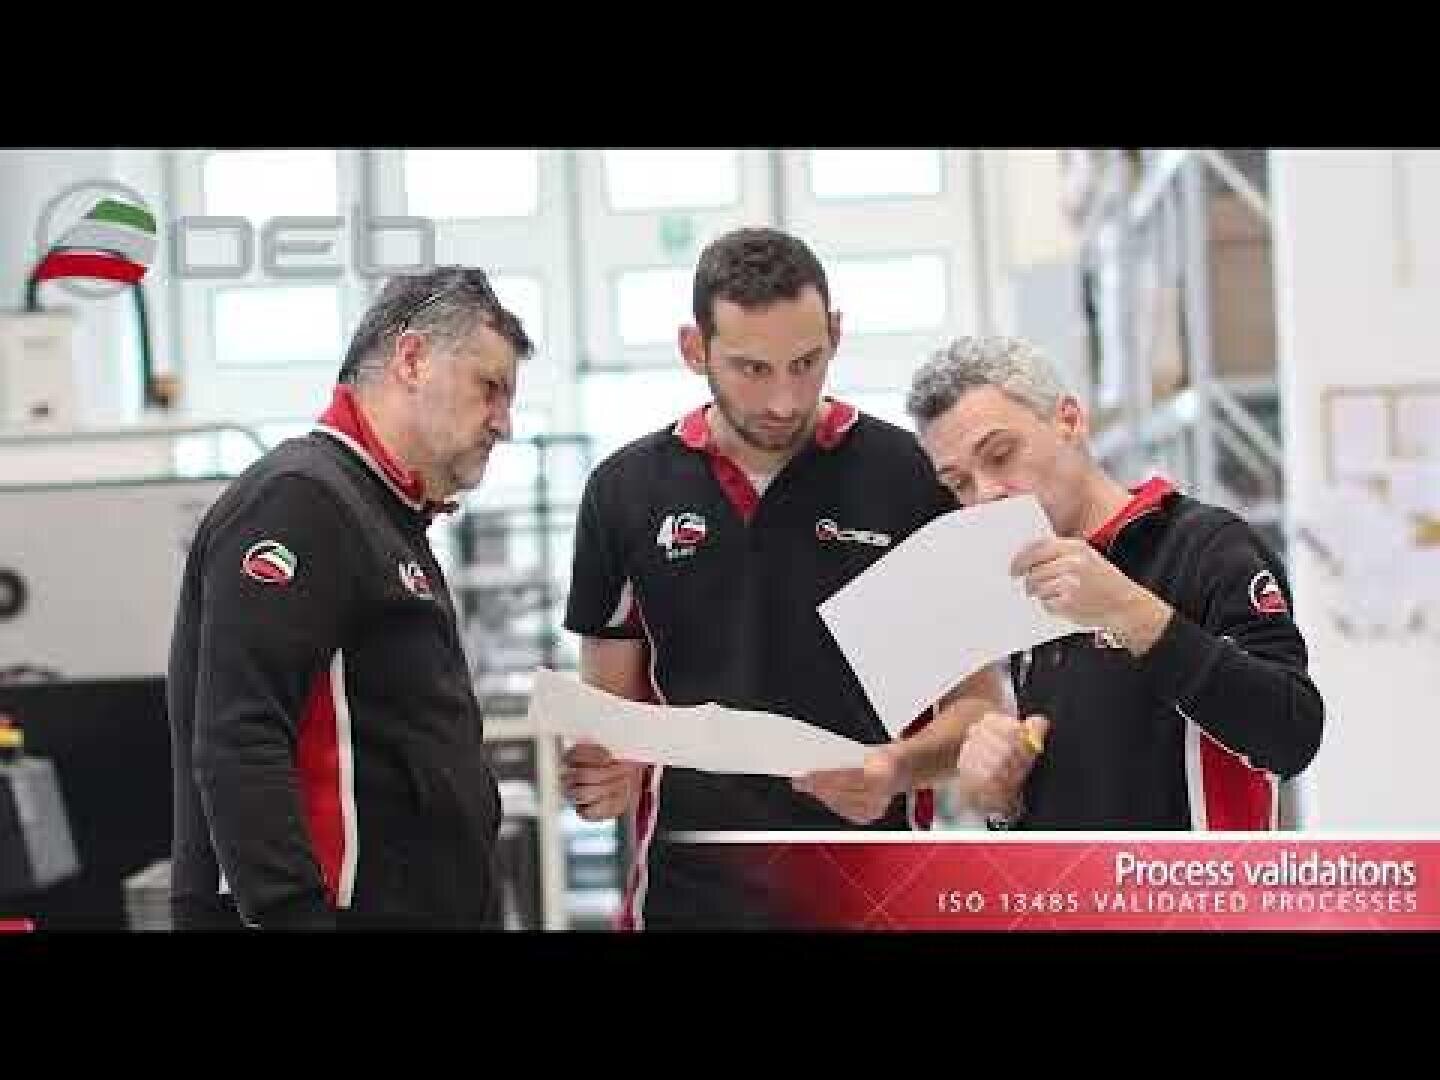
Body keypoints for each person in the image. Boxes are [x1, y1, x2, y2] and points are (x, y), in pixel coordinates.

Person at [558, 228, 1001, 930]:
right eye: (751, 369)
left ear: (835, 334)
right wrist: (599, 774)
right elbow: (611, 722)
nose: (785, 400)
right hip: (687, 898)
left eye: (806, 362)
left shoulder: (911, 479)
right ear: (694, 349)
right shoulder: (624, 492)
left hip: (874, 890)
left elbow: (978, 707)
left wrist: (896, 769)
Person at [167, 265, 531, 930]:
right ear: (412, 359)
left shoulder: (385, 514)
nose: (504, 423)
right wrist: (292, 912)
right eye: (490, 389)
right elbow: (240, 738)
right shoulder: (301, 502)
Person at [902, 335, 1324, 830]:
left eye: (1000, 455)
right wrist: (1002, 797)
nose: (985, 495)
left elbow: (1291, 734)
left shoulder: (1206, 545)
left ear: (1069, 421)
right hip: (1072, 881)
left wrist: (1127, 611)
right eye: (959, 484)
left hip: (1193, 879)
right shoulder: (1021, 584)